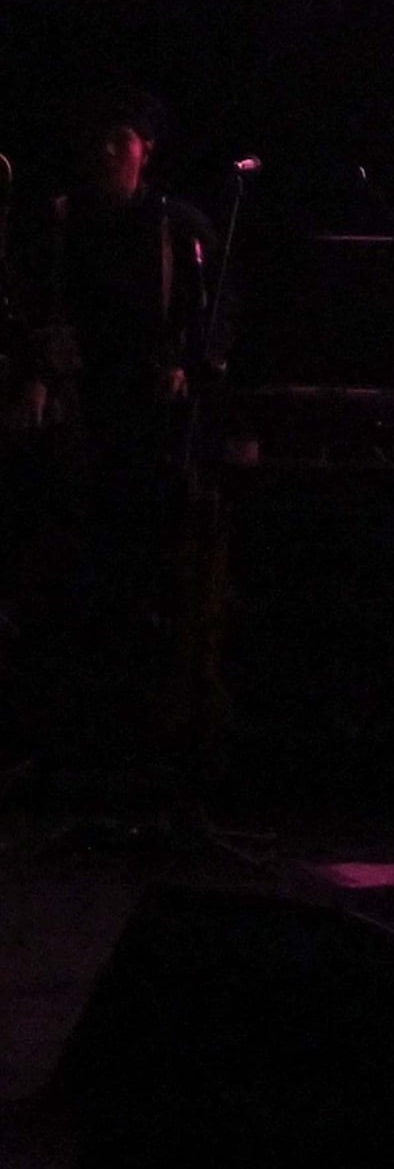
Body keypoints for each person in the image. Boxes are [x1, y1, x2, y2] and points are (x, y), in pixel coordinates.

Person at [12, 89, 225, 773]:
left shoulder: (179, 228)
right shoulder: (58, 226)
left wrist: (188, 370)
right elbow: (33, 315)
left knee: (151, 583)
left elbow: (215, 324)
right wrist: (38, 378)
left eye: (120, 136)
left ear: (146, 148)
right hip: (78, 432)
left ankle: (153, 741)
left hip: (153, 434)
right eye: (96, 136)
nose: (106, 149)